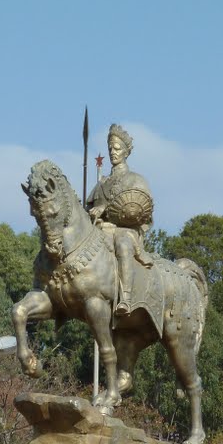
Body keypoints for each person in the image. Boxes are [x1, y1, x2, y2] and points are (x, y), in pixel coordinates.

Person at [86, 124, 155, 316]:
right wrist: (91, 214)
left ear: (126, 151)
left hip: (126, 231)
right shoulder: (102, 183)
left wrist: (107, 209)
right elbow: (88, 210)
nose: (112, 152)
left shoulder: (135, 180)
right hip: (101, 229)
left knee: (123, 245)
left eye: (117, 148)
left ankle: (126, 298)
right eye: (110, 148)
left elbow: (144, 213)